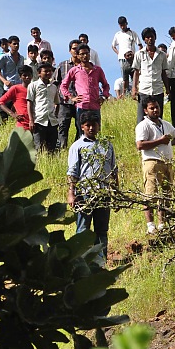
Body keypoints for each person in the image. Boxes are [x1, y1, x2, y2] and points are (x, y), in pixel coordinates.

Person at [67, 110, 118, 263]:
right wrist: (71, 193)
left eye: (94, 125)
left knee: (102, 230)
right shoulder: (77, 147)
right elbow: (72, 171)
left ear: (98, 126)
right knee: (83, 229)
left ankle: (100, 261)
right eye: (87, 125)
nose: (91, 128)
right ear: (81, 127)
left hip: (103, 194)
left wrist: (116, 192)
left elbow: (114, 170)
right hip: (84, 194)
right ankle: (81, 260)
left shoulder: (106, 145)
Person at [136, 96, 175, 235]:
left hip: (167, 162)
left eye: (157, 107)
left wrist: (170, 141)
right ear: (145, 110)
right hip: (152, 162)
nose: (155, 110)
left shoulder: (165, 124)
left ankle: (163, 223)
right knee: (150, 194)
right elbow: (140, 145)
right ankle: (150, 225)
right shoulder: (143, 126)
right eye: (152, 108)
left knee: (166, 194)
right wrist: (160, 141)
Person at [61, 43, 111, 138]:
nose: (85, 56)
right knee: (82, 132)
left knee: (96, 131)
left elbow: (106, 85)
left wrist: (104, 96)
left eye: (87, 53)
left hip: (95, 106)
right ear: (78, 56)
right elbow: (63, 85)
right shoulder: (75, 70)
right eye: (82, 54)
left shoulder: (97, 70)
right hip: (81, 107)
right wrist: (71, 98)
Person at [132, 27, 170, 124]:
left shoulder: (161, 55)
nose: (150, 39)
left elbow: (163, 73)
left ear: (155, 37)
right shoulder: (139, 54)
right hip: (144, 90)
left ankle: (159, 138)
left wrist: (168, 89)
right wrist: (134, 89)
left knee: (157, 118)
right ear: (144, 39)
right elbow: (136, 72)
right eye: (147, 37)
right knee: (141, 119)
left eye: (152, 37)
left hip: (158, 90)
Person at [27, 63, 60, 152]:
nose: (48, 73)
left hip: (52, 122)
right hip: (39, 120)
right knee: (39, 147)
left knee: (51, 148)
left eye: (50, 71)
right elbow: (29, 102)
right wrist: (31, 120)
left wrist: (56, 115)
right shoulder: (33, 85)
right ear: (39, 73)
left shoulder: (54, 87)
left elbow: (57, 103)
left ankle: (50, 165)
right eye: (45, 71)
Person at [54, 40, 81, 149]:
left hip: (80, 101)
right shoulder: (62, 65)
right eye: (74, 48)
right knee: (63, 126)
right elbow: (55, 83)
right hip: (65, 101)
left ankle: (77, 148)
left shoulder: (85, 66)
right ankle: (62, 149)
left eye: (78, 48)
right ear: (70, 50)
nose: (76, 51)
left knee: (80, 126)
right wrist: (55, 101)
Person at [111, 16, 142, 96]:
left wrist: (137, 55)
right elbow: (113, 46)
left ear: (126, 23)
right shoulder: (118, 34)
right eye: (121, 25)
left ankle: (135, 91)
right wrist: (118, 53)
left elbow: (140, 44)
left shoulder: (132, 33)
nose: (122, 26)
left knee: (135, 75)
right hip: (122, 59)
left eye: (123, 24)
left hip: (132, 58)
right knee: (125, 78)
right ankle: (125, 94)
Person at [0, 65, 33, 131]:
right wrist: (12, 114)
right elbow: (0, 102)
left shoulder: (35, 88)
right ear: (20, 77)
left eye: (29, 75)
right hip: (22, 124)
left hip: (35, 123)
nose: (27, 77)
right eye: (24, 75)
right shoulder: (15, 88)